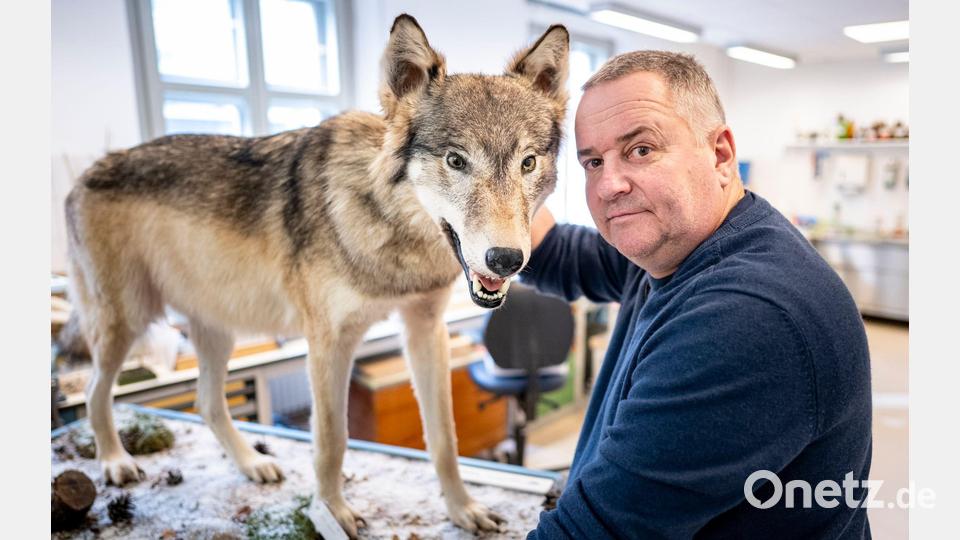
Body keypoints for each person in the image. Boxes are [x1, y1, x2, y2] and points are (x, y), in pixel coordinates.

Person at [523, 51, 872, 539]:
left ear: (721, 155)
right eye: (593, 162)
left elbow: (596, 534)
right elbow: (552, 253)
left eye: (641, 149)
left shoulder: (746, 316)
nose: (609, 185)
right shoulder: (669, 244)